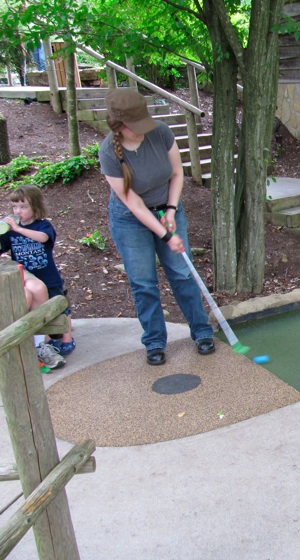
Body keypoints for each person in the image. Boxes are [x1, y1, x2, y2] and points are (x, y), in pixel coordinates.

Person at [98, 88, 215, 366]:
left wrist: (172, 210)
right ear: (119, 126)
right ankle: (154, 341)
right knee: (143, 282)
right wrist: (165, 234)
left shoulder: (160, 132)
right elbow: (134, 205)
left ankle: (201, 332)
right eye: (134, 127)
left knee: (181, 273)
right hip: (130, 220)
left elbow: (177, 173)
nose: (141, 131)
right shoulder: (108, 152)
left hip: (167, 205)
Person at [1, 185, 73, 369]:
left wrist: (18, 229)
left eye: (23, 207)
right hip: (26, 277)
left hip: (48, 277)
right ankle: (46, 342)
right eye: (15, 207)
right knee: (35, 310)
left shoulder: (43, 225)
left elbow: (43, 238)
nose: (18, 211)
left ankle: (67, 338)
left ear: (35, 207)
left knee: (60, 308)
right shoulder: (10, 231)